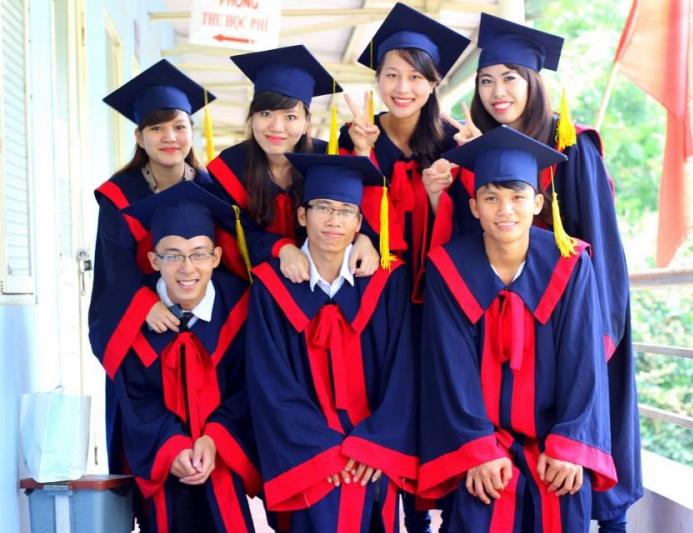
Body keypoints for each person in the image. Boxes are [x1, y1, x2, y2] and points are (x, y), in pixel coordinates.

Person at [442, 13, 642, 530]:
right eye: (486, 80)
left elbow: (604, 248)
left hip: (574, 317)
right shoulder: (477, 153)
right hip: (503, 324)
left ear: (534, 82)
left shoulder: (572, 146)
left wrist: (596, 338)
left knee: (587, 452)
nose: (497, 92)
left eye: (510, 77)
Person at [417, 126, 617, 532]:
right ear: (474, 207)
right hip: (482, 448)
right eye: (491, 198)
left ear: (538, 202)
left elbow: (584, 360)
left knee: (563, 498)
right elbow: (449, 366)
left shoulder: (570, 263)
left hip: (554, 447)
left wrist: (570, 444)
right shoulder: (448, 268)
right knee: (478, 503)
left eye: (517, 197)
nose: (504, 210)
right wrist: (476, 448)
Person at [339, 6, 470, 529]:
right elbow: (344, 211)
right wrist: (362, 156)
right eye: (391, 75)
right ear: (377, 79)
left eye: (416, 77)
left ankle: (429, 515)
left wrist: (440, 197)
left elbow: (469, 228)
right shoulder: (356, 137)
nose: (402, 88)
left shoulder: (455, 142)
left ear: (434, 83)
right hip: (379, 299)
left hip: (440, 295)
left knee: (435, 398)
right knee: (383, 398)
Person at [245, 154, 417, 532]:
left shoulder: (388, 282)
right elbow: (269, 381)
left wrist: (373, 445)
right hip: (308, 458)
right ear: (302, 216)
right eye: (322, 207)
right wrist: (320, 452)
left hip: (374, 456)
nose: (334, 220)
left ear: (359, 223)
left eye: (345, 211)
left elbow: (404, 372)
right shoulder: (271, 287)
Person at [89, 59, 223, 481]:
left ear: (191, 132)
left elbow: (228, 262)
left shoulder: (211, 188)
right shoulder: (119, 195)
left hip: (205, 330)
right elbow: (113, 270)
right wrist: (144, 304)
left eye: (179, 126)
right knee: (150, 430)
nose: (170, 137)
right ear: (139, 137)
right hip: (147, 332)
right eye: (157, 128)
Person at [115, 181, 260, 532]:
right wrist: (172, 446)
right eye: (172, 255)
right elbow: (135, 397)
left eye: (198, 254)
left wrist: (215, 439)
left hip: (222, 457)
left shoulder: (241, 307)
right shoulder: (133, 316)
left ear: (216, 258)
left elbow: (249, 388)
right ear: (153, 260)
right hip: (165, 460)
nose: (187, 268)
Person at [207, 44, 379, 283]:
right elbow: (232, 231)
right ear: (251, 117)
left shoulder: (329, 157)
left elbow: (355, 206)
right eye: (265, 114)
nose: (277, 127)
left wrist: (366, 238)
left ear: (307, 123)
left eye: (290, 117)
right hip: (257, 282)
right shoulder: (229, 168)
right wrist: (281, 247)